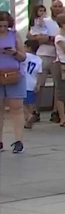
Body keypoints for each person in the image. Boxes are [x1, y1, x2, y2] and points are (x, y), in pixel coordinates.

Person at [0, 11, 27, 154]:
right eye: (0, 26)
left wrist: (14, 52)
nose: (3, 29)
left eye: (5, 26)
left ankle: (18, 141)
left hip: (14, 74)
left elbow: (23, 57)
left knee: (16, 108)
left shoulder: (14, 35)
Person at [27, 4, 60, 122]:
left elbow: (61, 39)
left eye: (59, 7)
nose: (57, 9)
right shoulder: (44, 21)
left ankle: (56, 111)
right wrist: (45, 38)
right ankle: (35, 111)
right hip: (42, 54)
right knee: (39, 84)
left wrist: (49, 39)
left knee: (57, 85)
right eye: (55, 6)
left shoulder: (61, 22)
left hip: (56, 56)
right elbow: (31, 35)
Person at [21, 40, 42, 131]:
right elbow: (39, 73)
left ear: (29, 47)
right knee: (30, 102)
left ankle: (28, 116)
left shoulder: (24, 56)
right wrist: (38, 84)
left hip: (23, 81)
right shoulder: (39, 59)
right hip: (33, 82)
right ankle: (28, 119)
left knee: (21, 102)